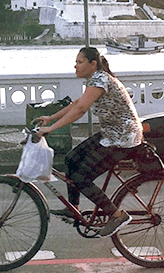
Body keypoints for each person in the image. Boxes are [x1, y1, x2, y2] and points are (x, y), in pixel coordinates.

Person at [34, 47, 142, 237]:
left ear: (93, 64)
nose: (75, 66)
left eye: (80, 62)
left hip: (123, 138)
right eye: (76, 62)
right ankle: (73, 208)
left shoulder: (101, 79)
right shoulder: (96, 80)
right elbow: (76, 104)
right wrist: (50, 118)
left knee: (81, 177)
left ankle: (117, 215)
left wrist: (50, 129)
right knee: (71, 159)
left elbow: (82, 109)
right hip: (111, 134)